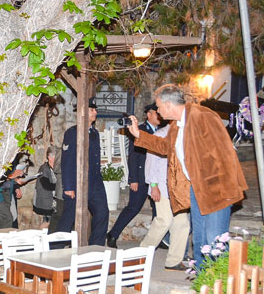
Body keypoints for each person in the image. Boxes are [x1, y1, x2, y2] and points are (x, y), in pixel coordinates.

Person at [127, 84, 247, 267]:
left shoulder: (203, 116)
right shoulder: (177, 125)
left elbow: (225, 153)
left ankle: (221, 281)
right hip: (196, 189)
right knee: (199, 241)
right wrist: (138, 134)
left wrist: (223, 188)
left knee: (214, 241)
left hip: (216, 189)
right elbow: (165, 147)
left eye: (159, 107)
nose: (158, 111)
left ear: (168, 105)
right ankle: (201, 280)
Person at [106, 103, 161, 248]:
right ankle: (113, 234)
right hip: (141, 176)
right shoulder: (139, 130)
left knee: (158, 209)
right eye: (156, 113)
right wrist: (133, 179)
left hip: (156, 176)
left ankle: (158, 239)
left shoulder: (162, 130)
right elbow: (134, 156)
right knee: (133, 207)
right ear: (149, 114)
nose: (159, 116)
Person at [57, 99, 109, 246]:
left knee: (102, 212)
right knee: (69, 217)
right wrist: (68, 186)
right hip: (76, 182)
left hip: (94, 183)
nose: (95, 113)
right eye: (92, 110)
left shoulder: (95, 133)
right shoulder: (72, 133)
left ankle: (96, 247)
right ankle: (55, 247)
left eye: (95, 110)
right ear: (83, 112)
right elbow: (67, 160)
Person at [138, 126, 191, 270]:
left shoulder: (185, 133)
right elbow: (150, 163)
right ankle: (141, 254)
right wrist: (153, 185)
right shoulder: (160, 134)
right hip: (161, 186)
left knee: (182, 224)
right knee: (164, 221)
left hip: (178, 188)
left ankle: (174, 261)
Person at [33, 146, 58, 223]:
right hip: (45, 201)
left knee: (50, 223)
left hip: (51, 200)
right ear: (50, 157)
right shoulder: (44, 168)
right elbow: (46, 185)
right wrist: (60, 186)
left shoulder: (55, 167)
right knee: (48, 223)